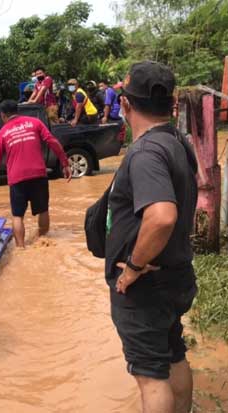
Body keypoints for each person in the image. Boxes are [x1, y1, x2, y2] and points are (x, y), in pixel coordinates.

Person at [105, 61, 198, 413]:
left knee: (150, 376)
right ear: (171, 105)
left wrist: (132, 267)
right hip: (175, 275)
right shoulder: (177, 141)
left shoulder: (145, 153)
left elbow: (161, 217)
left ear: (125, 105)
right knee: (173, 354)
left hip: (146, 284)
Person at [0, 100, 72, 248]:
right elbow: (52, 141)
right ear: (17, 111)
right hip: (38, 174)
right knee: (43, 210)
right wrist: (65, 163)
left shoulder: (2, 133)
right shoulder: (35, 123)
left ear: (3, 115)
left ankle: (21, 249)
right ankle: (43, 242)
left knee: (17, 216)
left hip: (16, 179)